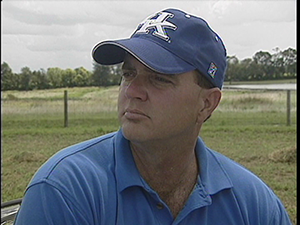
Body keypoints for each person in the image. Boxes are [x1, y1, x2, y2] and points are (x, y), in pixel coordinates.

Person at [14, 8, 292, 225]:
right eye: (128, 74)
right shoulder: (65, 189)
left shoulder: (253, 205)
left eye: (159, 78)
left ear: (207, 104)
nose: (133, 91)